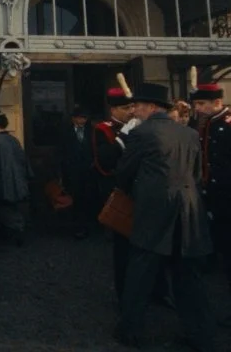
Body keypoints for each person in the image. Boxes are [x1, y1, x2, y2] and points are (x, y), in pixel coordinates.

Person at [113, 83, 214, 351]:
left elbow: (124, 172)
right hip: (189, 210)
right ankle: (200, 334)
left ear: (151, 107)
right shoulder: (189, 133)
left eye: (137, 105)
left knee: (141, 271)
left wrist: (135, 192)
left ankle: (130, 330)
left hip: (154, 210)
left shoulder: (141, 133)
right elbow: (196, 174)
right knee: (189, 276)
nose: (133, 110)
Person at [93, 85, 138, 299]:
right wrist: (122, 137)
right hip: (119, 189)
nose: (130, 111)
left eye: (132, 107)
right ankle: (124, 292)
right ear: (114, 110)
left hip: (141, 190)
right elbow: (104, 162)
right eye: (125, 108)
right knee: (123, 246)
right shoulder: (103, 129)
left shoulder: (140, 125)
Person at [191, 82, 231, 322]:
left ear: (217, 103)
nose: (197, 108)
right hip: (214, 197)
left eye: (201, 103)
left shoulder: (226, 124)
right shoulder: (207, 124)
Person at [0, 110, 32, 246]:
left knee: (1, 208)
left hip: (0, 183)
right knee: (10, 208)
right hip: (15, 181)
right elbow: (23, 160)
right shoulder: (13, 140)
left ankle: (13, 230)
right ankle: (13, 230)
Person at [59, 105, 95, 239]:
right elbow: (61, 153)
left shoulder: (91, 131)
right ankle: (76, 227)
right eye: (80, 118)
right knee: (75, 200)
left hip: (88, 172)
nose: (83, 121)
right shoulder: (65, 132)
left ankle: (87, 227)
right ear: (73, 119)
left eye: (85, 118)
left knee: (88, 199)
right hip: (72, 172)